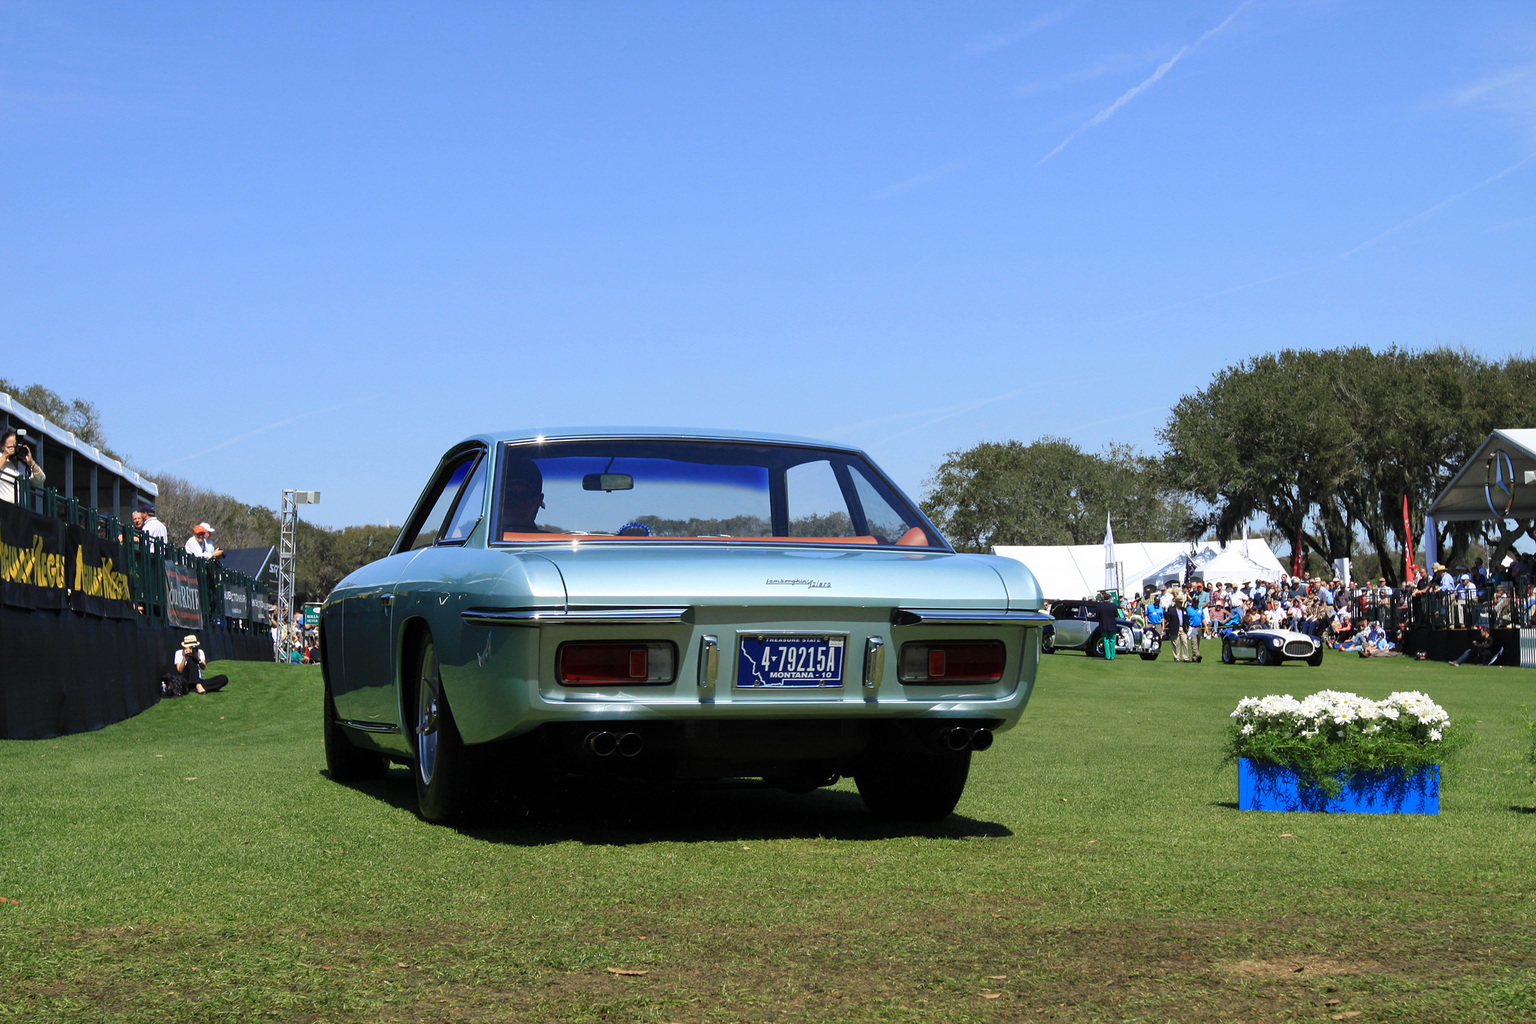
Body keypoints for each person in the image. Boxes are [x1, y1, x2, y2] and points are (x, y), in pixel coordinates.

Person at [163, 635, 229, 696]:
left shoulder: (200, 652)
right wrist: (185, 657)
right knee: (191, 659)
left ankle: (194, 687)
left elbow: (203, 667)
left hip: (198, 679)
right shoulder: (178, 653)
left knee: (223, 678)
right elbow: (180, 671)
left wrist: (197, 658)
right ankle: (197, 686)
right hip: (185, 679)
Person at [499, 458, 545, 535]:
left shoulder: (554, 542)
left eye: (523, 495)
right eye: (508, 495)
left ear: (537, 502)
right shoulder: (478, 540)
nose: (514, 503)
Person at [0, 428, 45, 503]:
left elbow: (40, 480)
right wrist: (5, 456)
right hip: (3, 509)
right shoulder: (1, 457)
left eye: (15, 447)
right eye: (10, 447)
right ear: (2, 446)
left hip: (20, 510)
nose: (13, 450)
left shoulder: (22, 464)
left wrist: (31, 462)